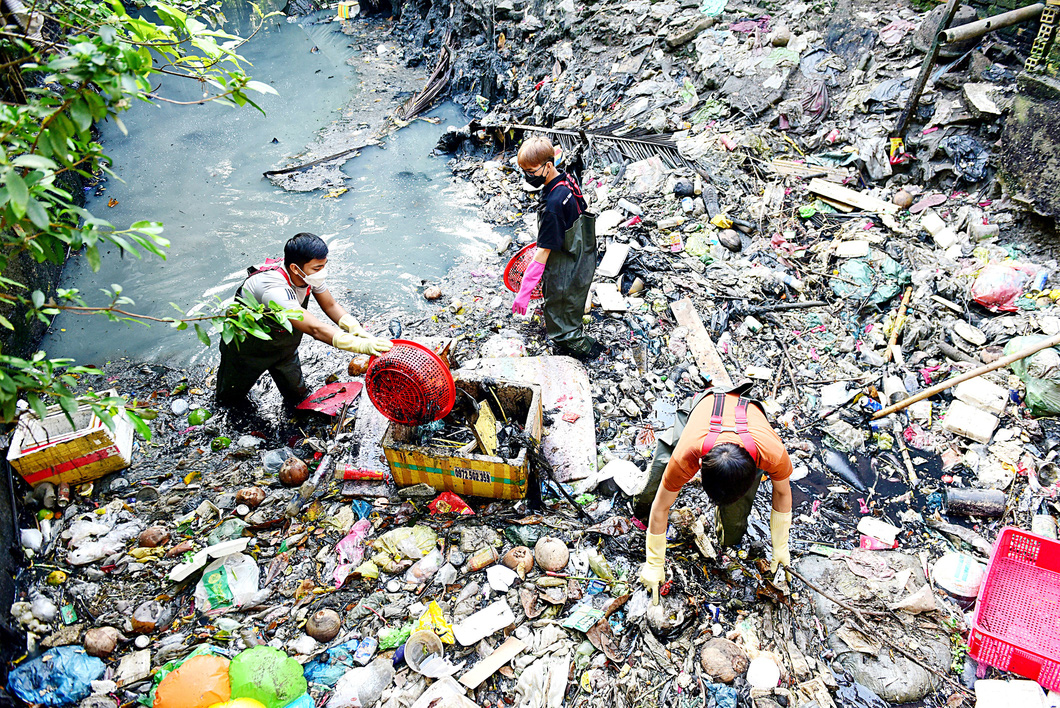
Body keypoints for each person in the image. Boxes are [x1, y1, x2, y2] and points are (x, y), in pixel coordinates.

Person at [638, 382, 793, 604]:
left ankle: (729, 540)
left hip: (748, 414)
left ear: (756, 469)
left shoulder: (771, 452)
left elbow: (783, 494)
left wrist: (780, 547)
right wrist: (654, 562)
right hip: (702, 408)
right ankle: (641, 516)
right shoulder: (688, 454)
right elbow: (662, 506)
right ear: (699, 465)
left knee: (734, 522)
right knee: (655, 484)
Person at [215, 232, 391, 407]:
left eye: (324, 265)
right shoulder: (273, 288)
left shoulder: (310, 274)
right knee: (229, 401)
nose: (321, 272)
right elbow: (315, 329)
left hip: (285, 350)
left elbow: (330, 305)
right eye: (317, 268)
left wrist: (355, 328)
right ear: (294, 268)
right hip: (247, 351)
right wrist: (360, 346)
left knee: (298, 398)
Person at [510, 136, 600, 358]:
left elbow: (541, 257)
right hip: (584, 249)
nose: (527, 176)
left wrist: (523, 293)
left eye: (531, 171)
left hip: (567, 262)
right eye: (524, 171)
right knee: (572, 302)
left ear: (548, 165)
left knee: (561, 316)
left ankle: (590, 351)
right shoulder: (566, 180)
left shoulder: (552, 206)